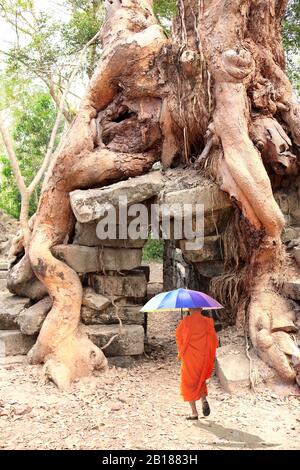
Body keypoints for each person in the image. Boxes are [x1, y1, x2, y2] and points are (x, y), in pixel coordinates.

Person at [175, 308, 218, 420]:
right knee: (200, 379)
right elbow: (213, 340)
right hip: (203, 357)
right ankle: (203, 400)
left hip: (190, 358)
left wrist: (181, 352)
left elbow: (179, 339)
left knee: (188, 383)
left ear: (189, 309)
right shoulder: (207, 321)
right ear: (201, 309)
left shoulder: (185, 322)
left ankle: (194, 412)